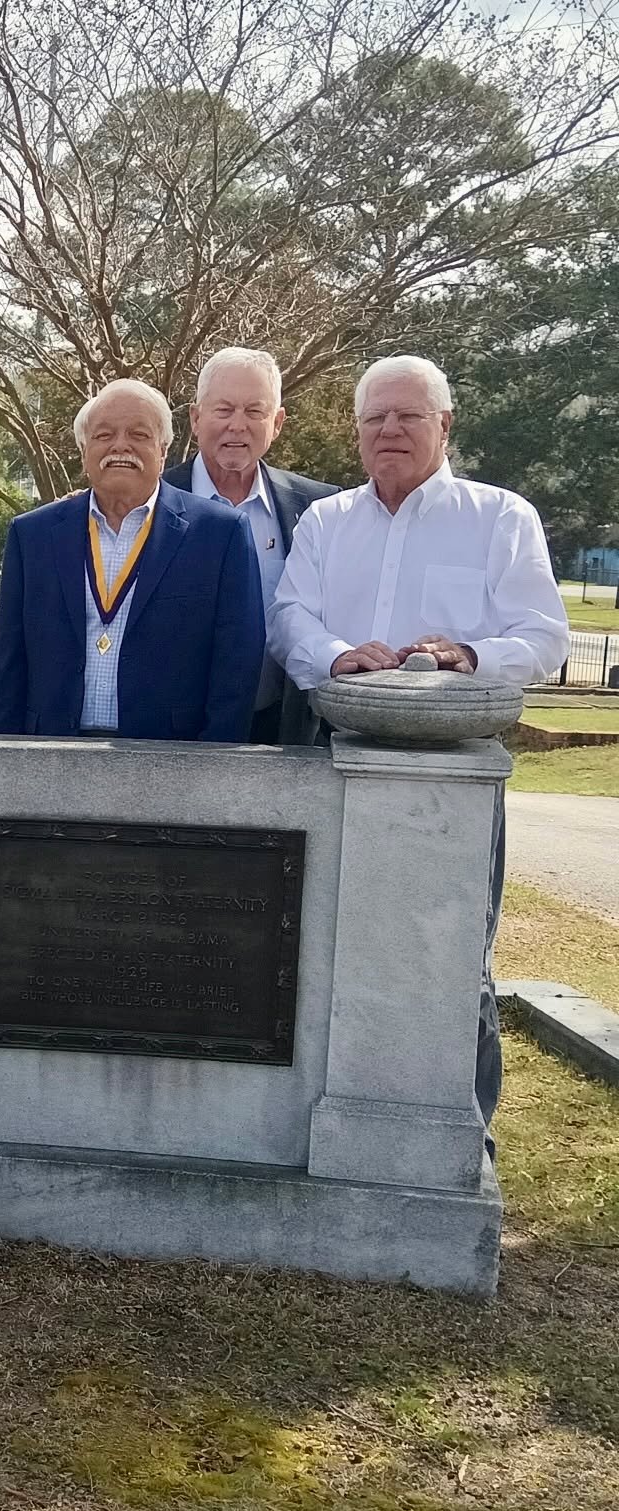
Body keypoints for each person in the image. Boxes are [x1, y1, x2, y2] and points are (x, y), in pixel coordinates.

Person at [269, 354, 569, 1141]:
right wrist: (338, 655)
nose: (390, 430)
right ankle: (338, 1117)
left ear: (445, 424)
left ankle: (465, 1131)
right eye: (375, 418)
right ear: (358, 432)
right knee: (330, 947)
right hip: (335, 754)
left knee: (454, 960)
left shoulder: (499, 518)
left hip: (453, 772)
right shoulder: (327, 522)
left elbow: (544, 636)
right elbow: (290, 618)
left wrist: (471, 655)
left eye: (408, 416)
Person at [0, 378, 264, 741]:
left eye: (138, 434)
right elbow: (9, 662)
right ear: (84, 451)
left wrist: (212, 762)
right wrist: (0, 753)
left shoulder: (220, 534)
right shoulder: (32, 535)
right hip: (52, 748)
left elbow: (237, 667)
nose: (120, 446)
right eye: (103, 435)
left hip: (169, 753)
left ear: (162, 450)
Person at [162, 347, 339, 744]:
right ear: (195, 418)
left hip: (283, 731)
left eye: (254, 411)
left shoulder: (319, 508)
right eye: (223, 410)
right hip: (174, 736)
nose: (237, 426)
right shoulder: (152, 502)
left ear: (277, 423)